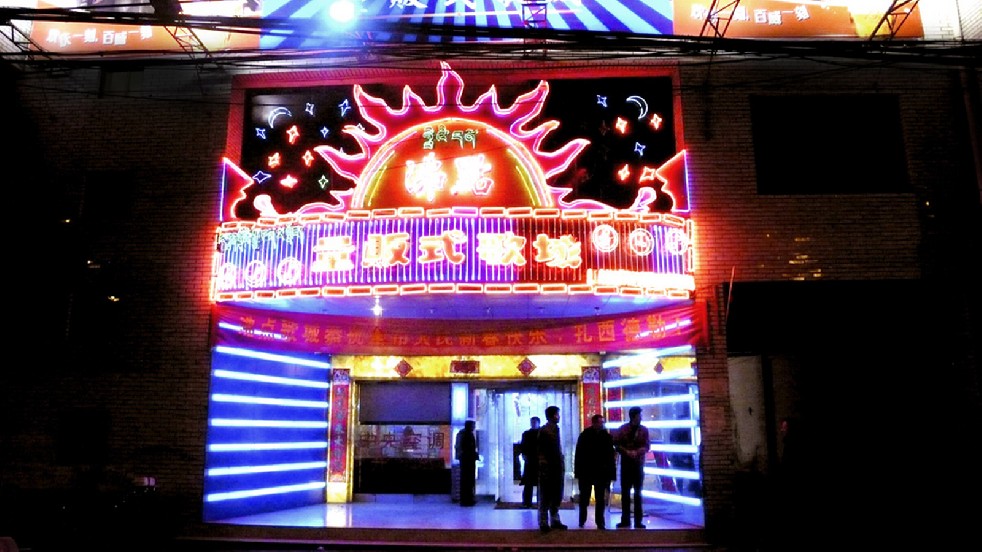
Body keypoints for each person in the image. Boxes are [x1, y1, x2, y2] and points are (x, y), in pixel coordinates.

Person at [574, 413, 616, 530]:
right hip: (586, 471)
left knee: (600, 499)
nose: (602, 424)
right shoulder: (585, 435)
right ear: (594, 423)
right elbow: (579, 455)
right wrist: (578, 472)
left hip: (600, 472)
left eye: (602, 422)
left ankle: (600, 522)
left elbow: (610, 457)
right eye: (600, 422)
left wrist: (610, 474)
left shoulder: (606, 437)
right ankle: (582, 519)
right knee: (584, 498)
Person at [614, 406, 650, 529]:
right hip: (626, 465)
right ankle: (625, 520)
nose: (641, 417)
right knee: (625, 493)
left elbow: (647, 446)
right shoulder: (623, 429)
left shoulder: (644, 430)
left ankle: (638, 521)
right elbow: (616, 444)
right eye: (639, 415)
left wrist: (638, 451)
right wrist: (627, 451)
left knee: (638, 493)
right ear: (634, 416)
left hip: (638, 465)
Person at [536, 405, 567, 532]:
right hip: (547, 467)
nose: (558, 416)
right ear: (552, 415)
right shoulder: (544, 431)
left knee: (556, 494)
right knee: (545, 495)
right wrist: (544, 465)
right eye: (557, 414)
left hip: (557, 466)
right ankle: (543, 521)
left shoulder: (556, 429)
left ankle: (555, 519)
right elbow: (540, 450)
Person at [455, 419, 478, 507]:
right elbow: (468, 448)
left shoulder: (464, 434)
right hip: (467, 460)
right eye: (473, 425)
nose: (474, 427)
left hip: (466, 460)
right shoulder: (466, 434)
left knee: (467, 480)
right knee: (468, 480)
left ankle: (467, 499)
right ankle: (467, 499)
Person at [519, 416, 541, 508]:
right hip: (530, 460)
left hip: (539, 460)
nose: (533, 424)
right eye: (532, 422)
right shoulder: (526, 434)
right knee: (529, 483)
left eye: (535, 422)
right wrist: (524, 455)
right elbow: (523, 446)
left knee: (540, 483)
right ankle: (527, 502)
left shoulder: (542, 433)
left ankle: (540, 502)